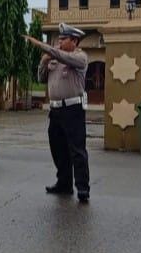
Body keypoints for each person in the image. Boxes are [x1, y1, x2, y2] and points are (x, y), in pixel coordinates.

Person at [24, 23, 91, 202]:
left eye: (63, 39)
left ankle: (82, 188)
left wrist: (41, 46)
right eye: (59, 39)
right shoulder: (54, 59)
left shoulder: (80, 57)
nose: (59, 42)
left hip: (73, 109)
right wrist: (43, 62)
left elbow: (63, 57)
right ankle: (64, 183)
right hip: (55, 109)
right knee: (58, 148)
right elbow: (41, 78)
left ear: (74, 41)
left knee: (77, 149)